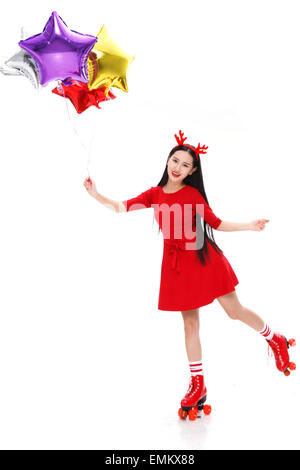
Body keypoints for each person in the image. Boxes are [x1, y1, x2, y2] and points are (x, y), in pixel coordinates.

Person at [83, 130, 296, 421]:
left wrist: (249, 225)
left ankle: (276, 339)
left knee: (234, 311)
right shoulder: (154, 194)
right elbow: (122, 207)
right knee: (189, 326)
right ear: (167, 161)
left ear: (192, 171)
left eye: (185, 164)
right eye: (175, 160)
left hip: (203, 259)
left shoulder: (193, 194)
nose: (178, 167)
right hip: (176, 267)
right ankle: (198, 384)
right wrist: (96, 194)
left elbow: (216, 223)